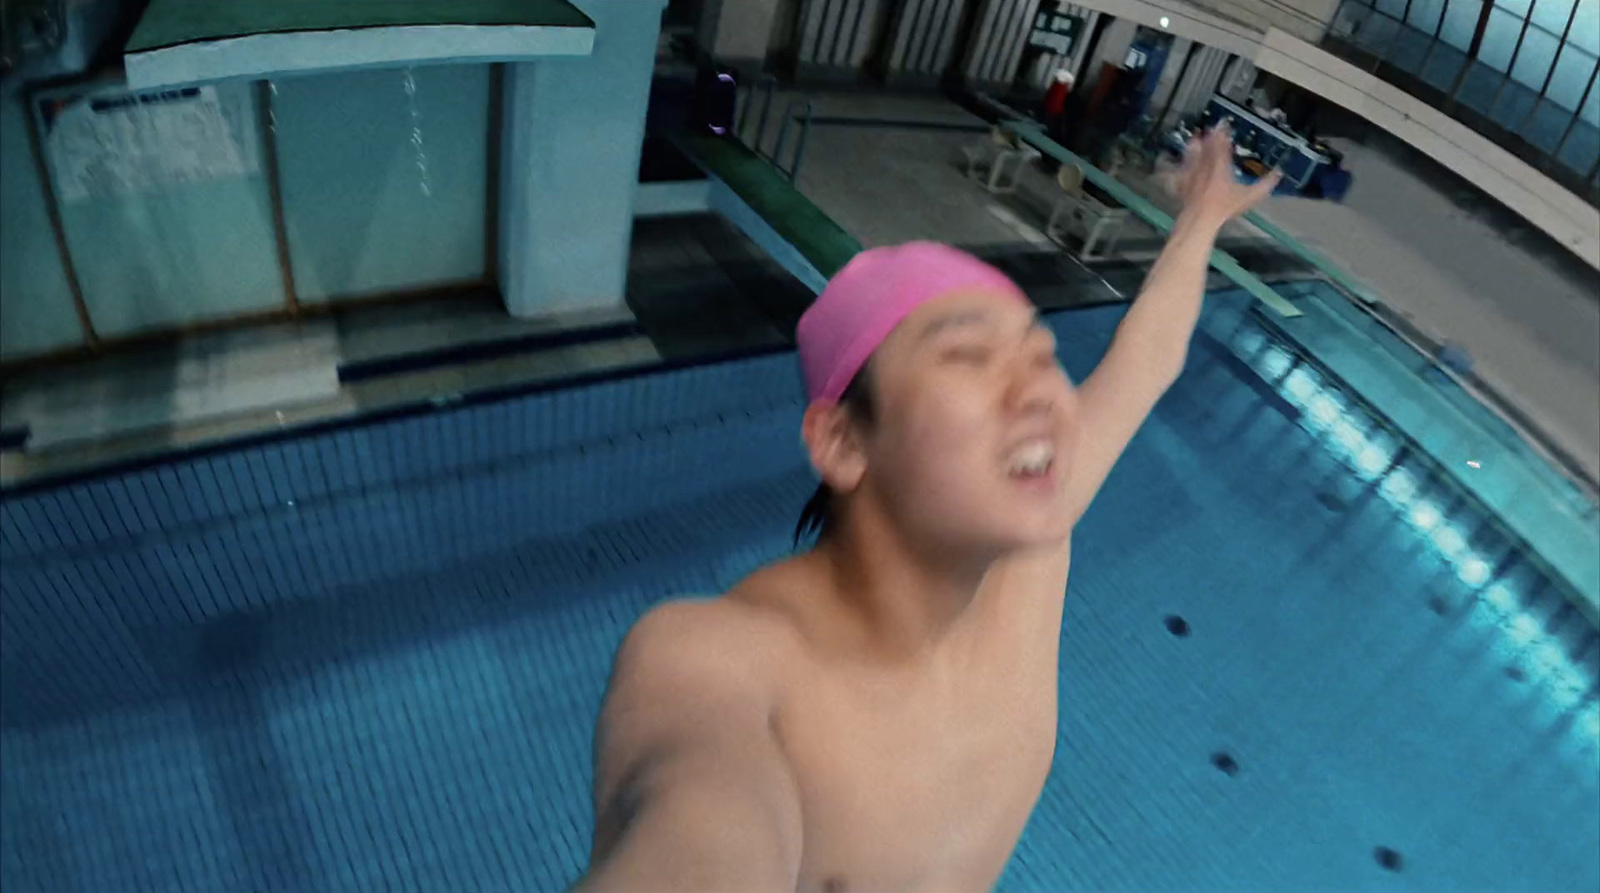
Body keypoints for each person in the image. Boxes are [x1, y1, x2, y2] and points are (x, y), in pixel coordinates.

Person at [572, 125, 1280, 893]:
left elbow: (1144, 359)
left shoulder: (1031, 548)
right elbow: (696, 825)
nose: (1042, 391)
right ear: (843, 441)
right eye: (968, 356)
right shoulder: (723, 662)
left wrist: (1202, 217)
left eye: (1042, 356)